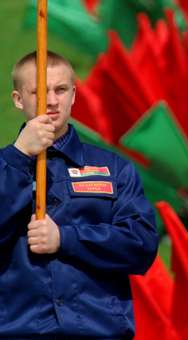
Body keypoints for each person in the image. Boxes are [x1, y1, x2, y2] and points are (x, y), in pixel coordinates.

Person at [0, 51, 159, 338]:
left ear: (73, 95)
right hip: (19, 329)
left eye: (60, 90)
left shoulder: (113, 169)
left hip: (97, 329)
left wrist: (66, 238)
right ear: (18, 99)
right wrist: (19, 156)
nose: (51, 101)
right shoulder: (4, 167)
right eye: (38, 91)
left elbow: (142, 246)